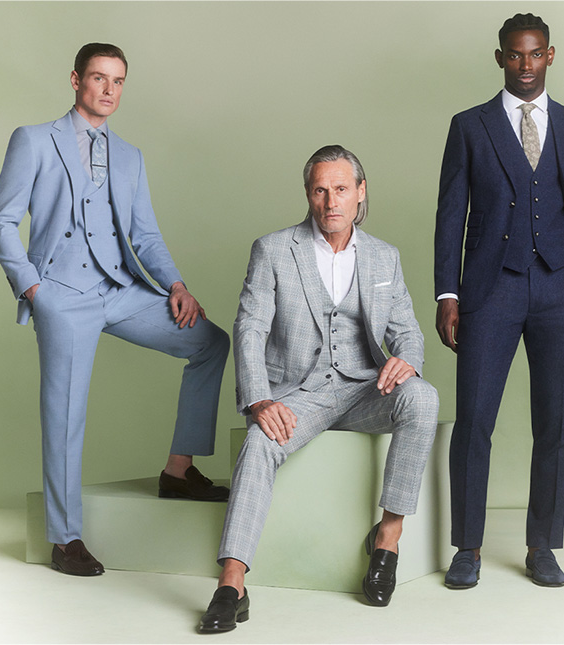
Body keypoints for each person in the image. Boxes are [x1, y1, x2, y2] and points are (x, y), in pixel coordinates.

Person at [0, 43, 230, 576]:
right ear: (76, 80)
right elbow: (2, 221)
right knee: (66, 414)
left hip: (119, 291)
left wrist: (177, 284)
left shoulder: (129, 155)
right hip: (61, 294)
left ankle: (177, 470)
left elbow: (144, 235)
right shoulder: (34, 140)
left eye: (118, 81)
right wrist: (34, 289)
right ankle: (64, 538)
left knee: (210, 341)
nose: (108, 90)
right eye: (99, 78)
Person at [197, 145, 439, 632]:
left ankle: (387, 540)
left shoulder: (383, 258)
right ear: (309, 196)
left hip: (364, 390)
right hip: (298, 394)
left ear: (360, 192)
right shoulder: (272, 250)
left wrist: (407, 360)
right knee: (260, 442)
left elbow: (408, 331)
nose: (332, 201)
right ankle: (231, 583)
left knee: (424, 398)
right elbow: (250, 327)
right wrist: (260, 398)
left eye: (342, 189)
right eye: (321, 190)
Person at [434, 13, 564, 589]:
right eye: (515, 56)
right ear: (500, 59)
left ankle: (542, 546)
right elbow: (450, 216)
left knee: (556, 423)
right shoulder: (470, 126)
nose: (526, 66)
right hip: (492, 289)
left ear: (551, 56)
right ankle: (468, 547)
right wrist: (448, 291)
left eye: (535, 55)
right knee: (474, 424)